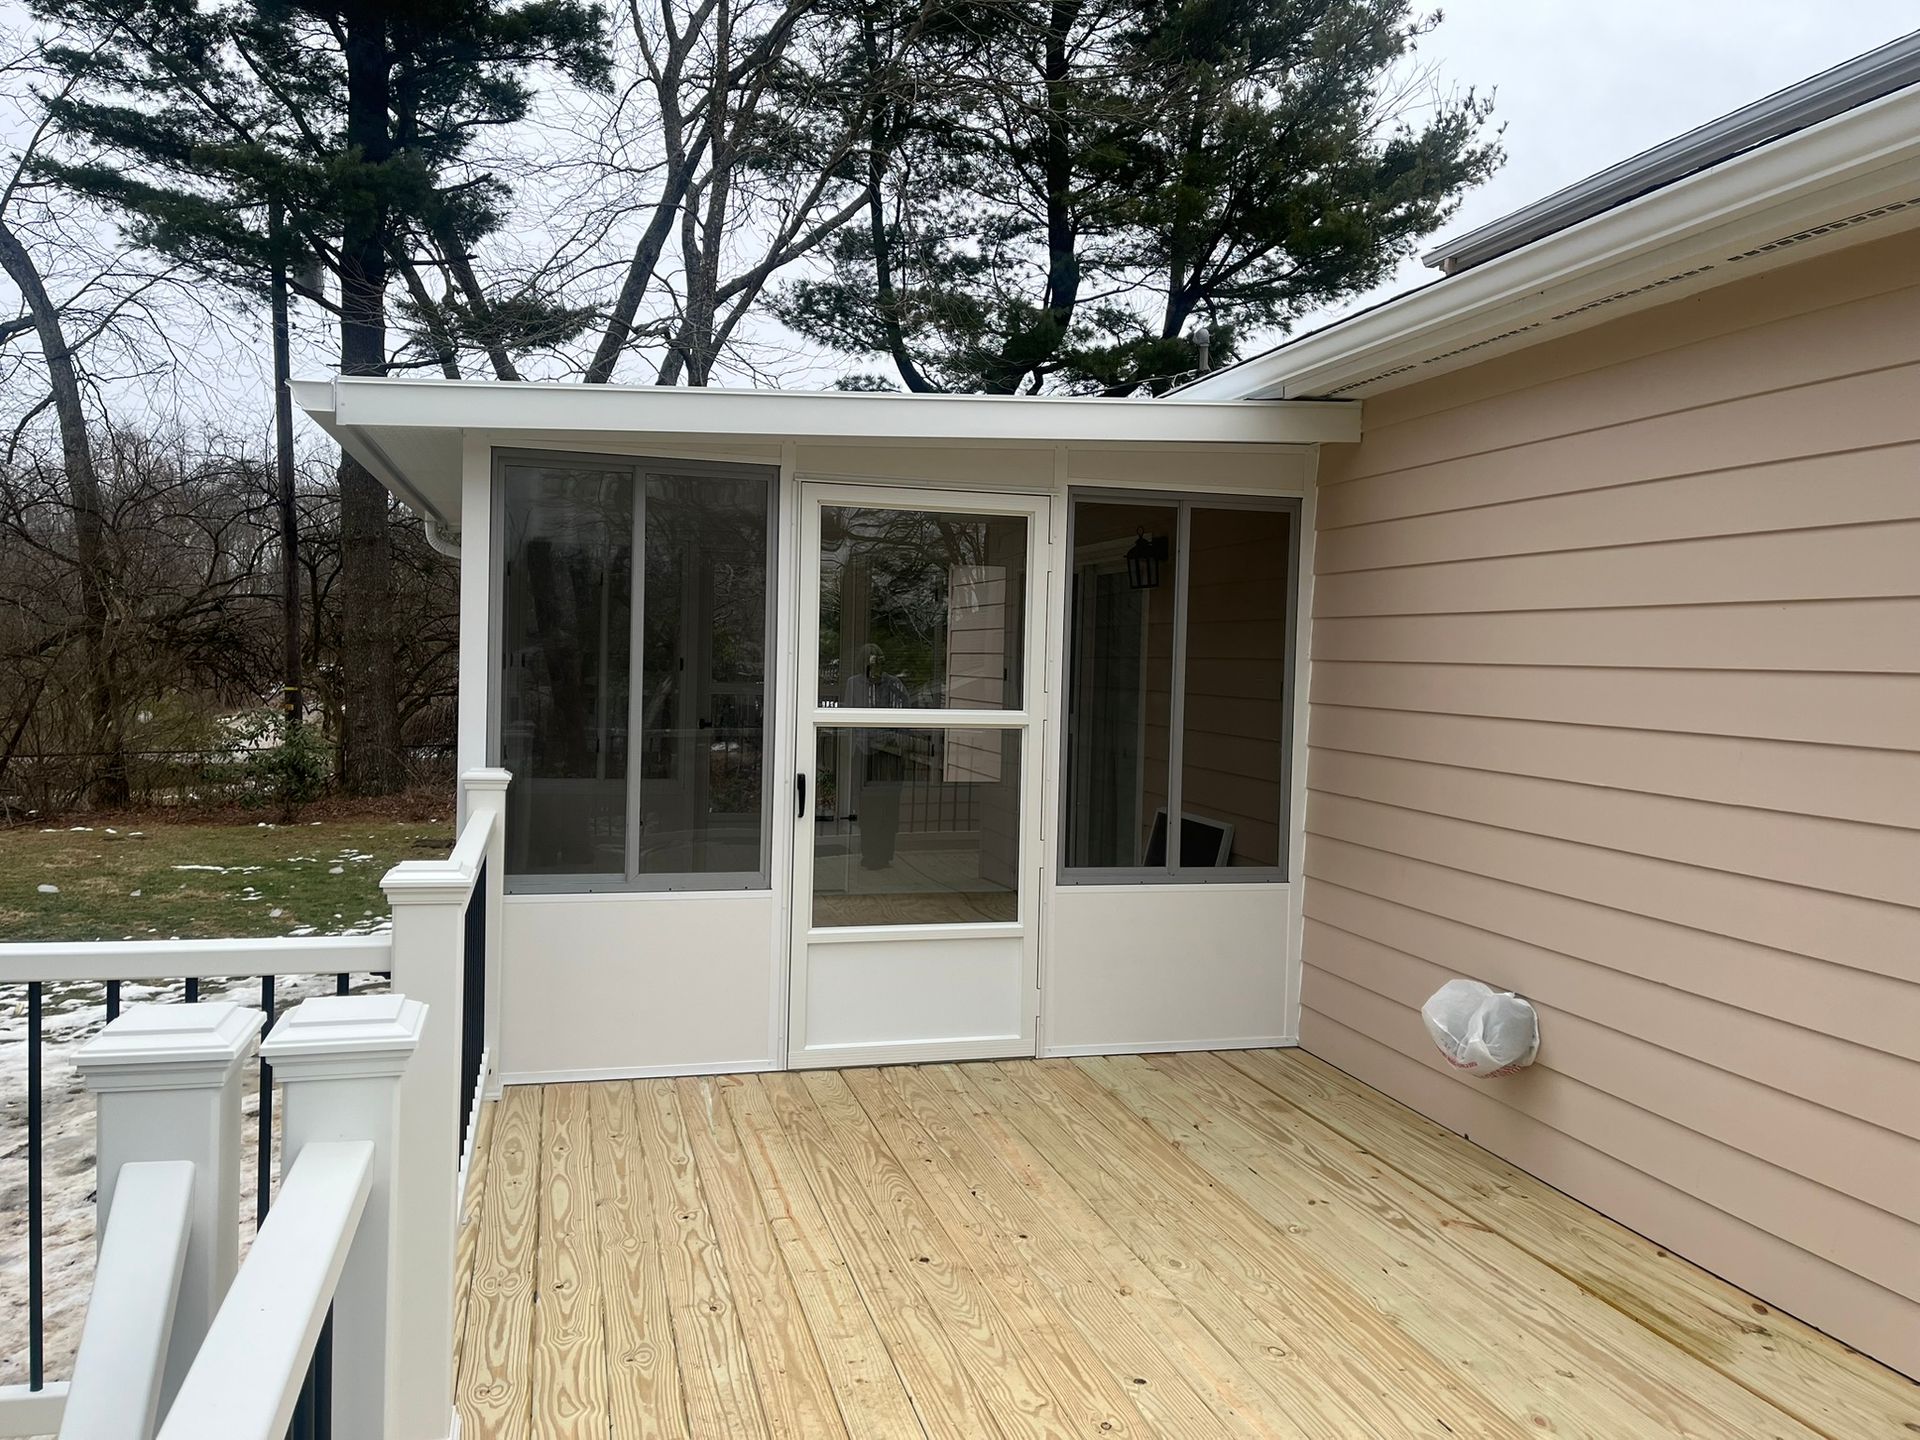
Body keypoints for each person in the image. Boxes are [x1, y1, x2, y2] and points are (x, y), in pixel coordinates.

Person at [845, 643, 908, 869]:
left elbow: (904, 719)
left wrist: (887, 737)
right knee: (867, 808)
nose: (875, 668)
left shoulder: (894, 685)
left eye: (879, 662)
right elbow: (851, 718)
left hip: (890, 756)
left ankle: (885, 854)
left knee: (888, 807)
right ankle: (870, 854)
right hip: (864, 752)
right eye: (871, 663)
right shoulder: (854, 684)